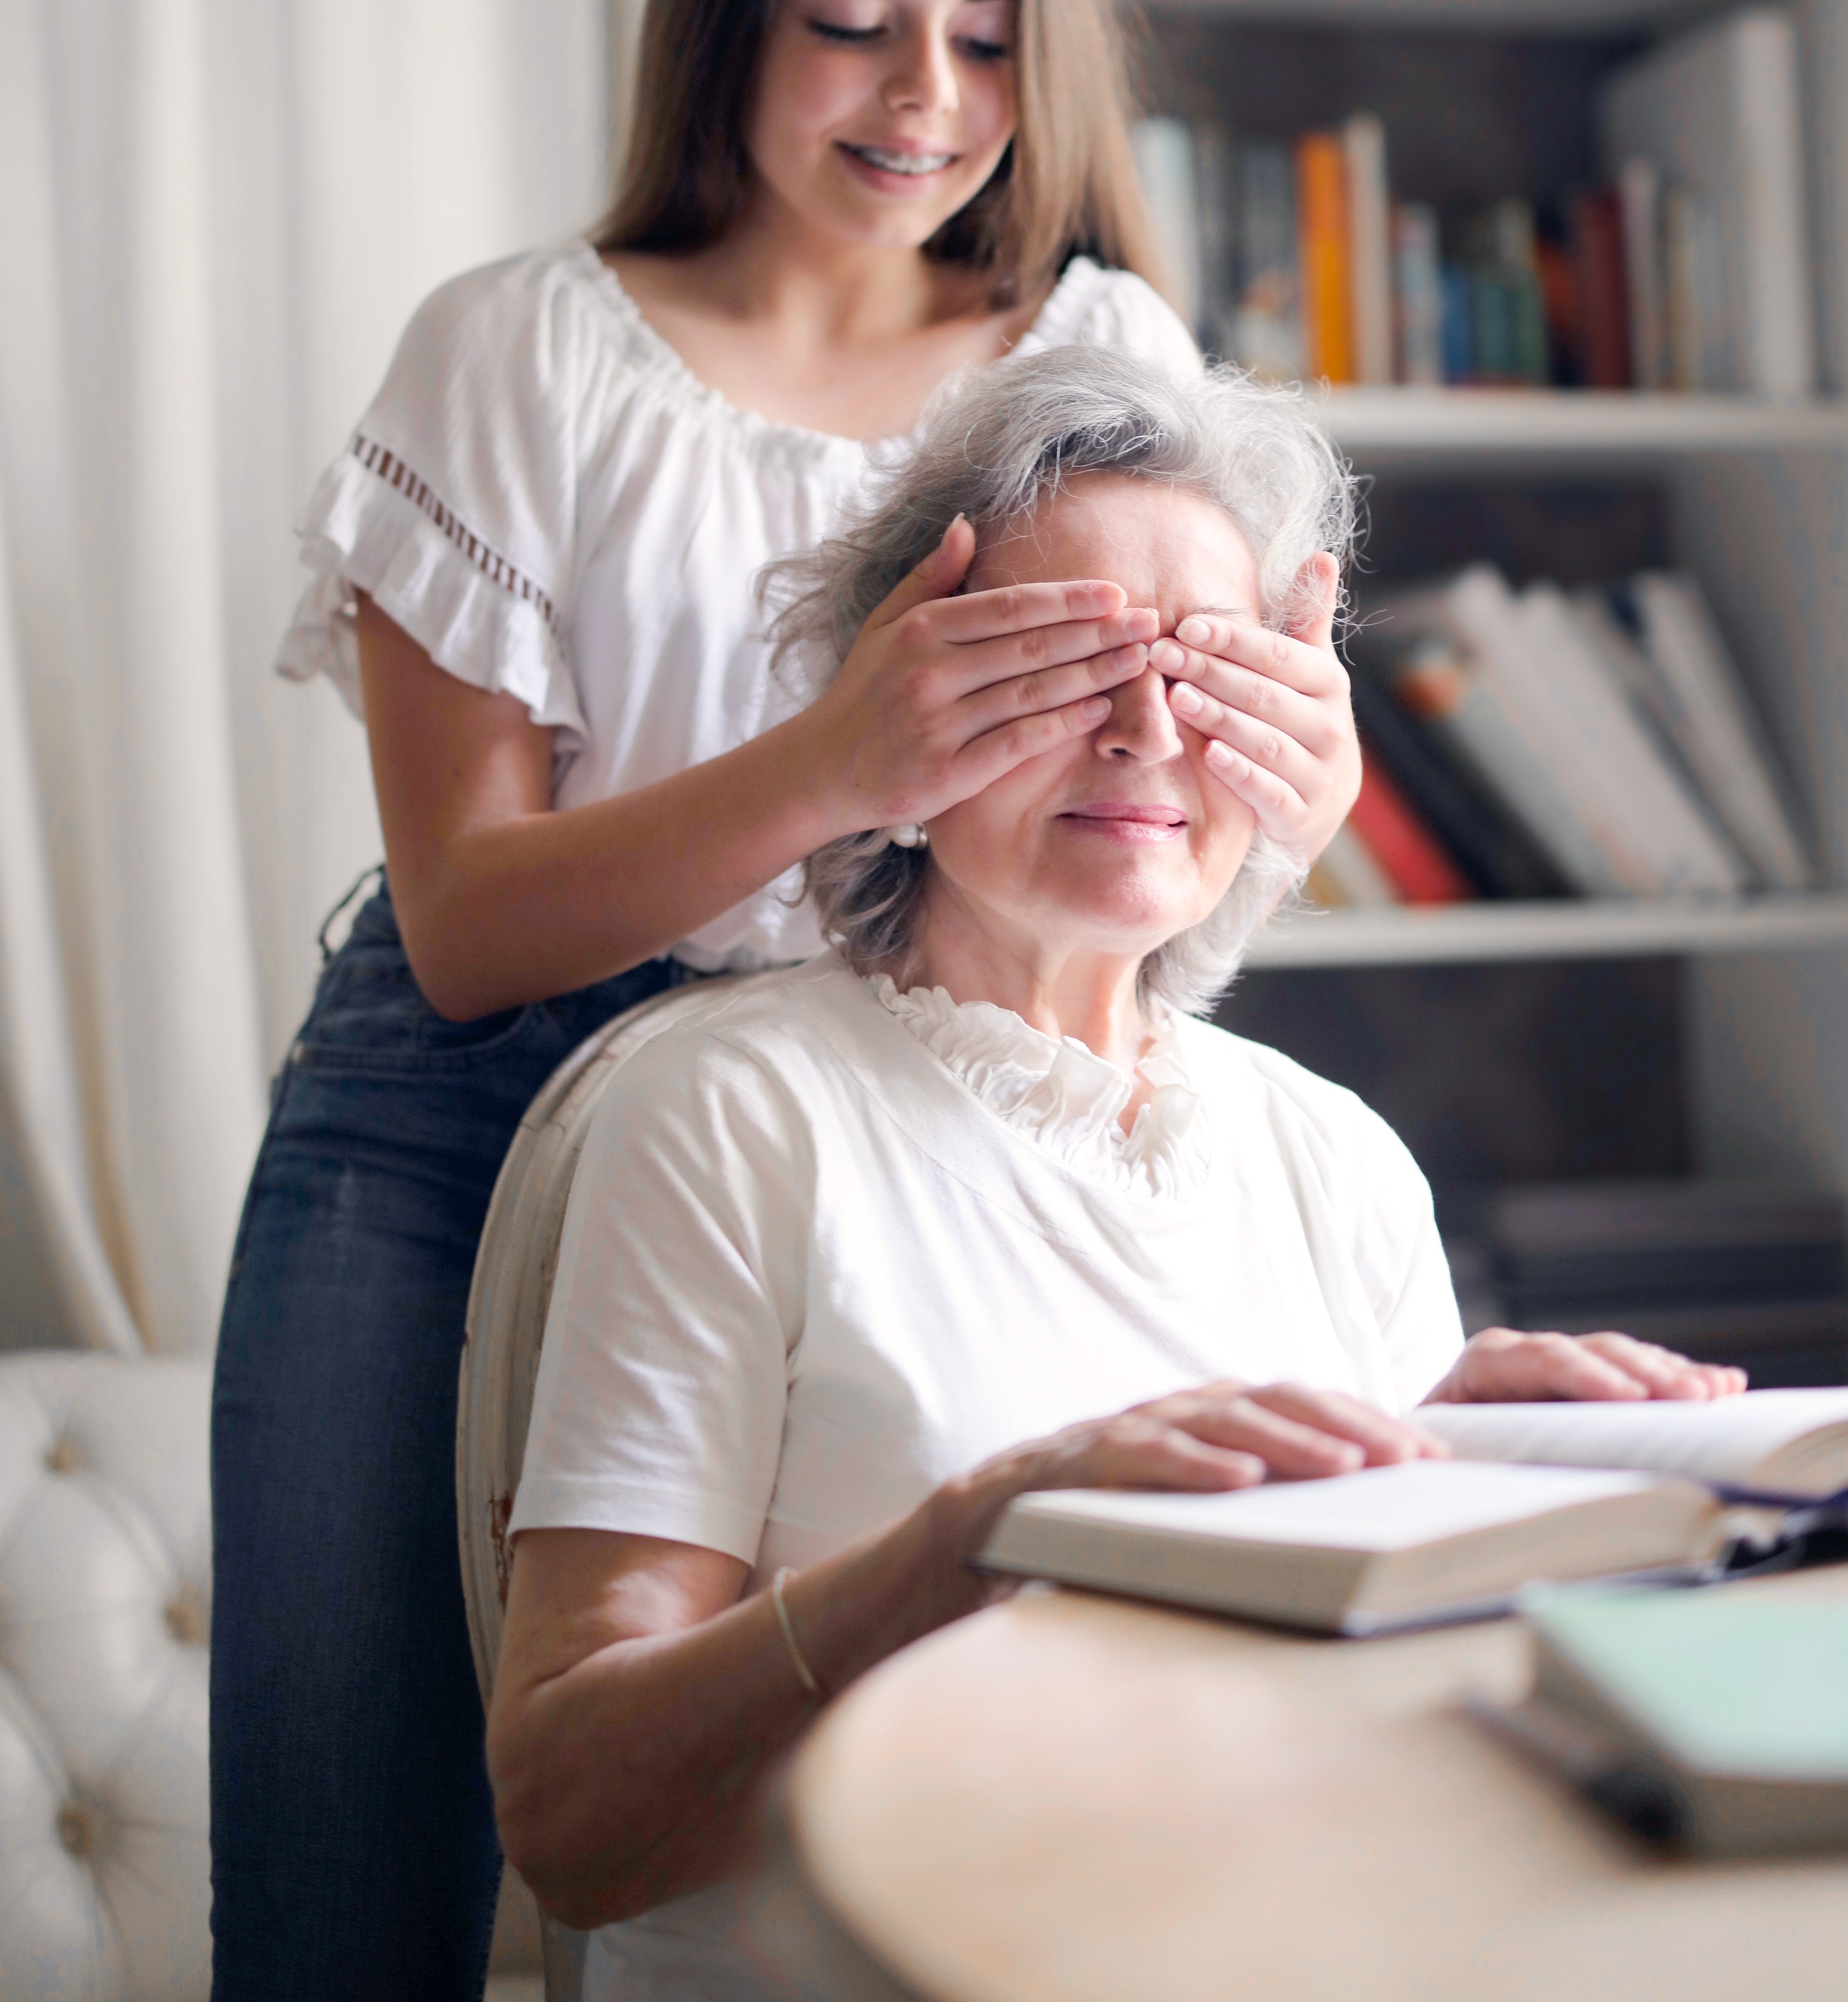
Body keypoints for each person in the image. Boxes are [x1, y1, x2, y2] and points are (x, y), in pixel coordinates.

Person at [208, 0, 1368, 2002]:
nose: (924, 92)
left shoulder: (1098, 352)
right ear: (727, 17)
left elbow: (1163, 839)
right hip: (457, 1114)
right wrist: (836, 761)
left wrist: (1283, 799)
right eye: (850, 17)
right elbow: (464, 925)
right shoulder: (514, 352)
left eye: (990, 33)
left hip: (895, 1095)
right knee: (349, 1881)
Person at [489, 347, 1745, 2002]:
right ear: (905, 701)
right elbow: (573, 1821)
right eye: (1065, 662)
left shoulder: (1334, 1154)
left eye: (1209, 670)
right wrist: (978, 1537)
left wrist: (1484, 1466)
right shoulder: (729, 1112)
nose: (1149, 728)